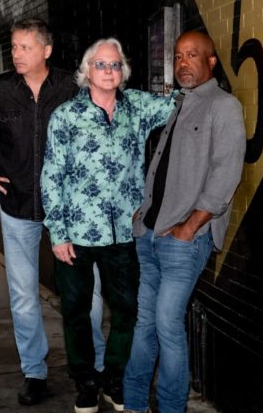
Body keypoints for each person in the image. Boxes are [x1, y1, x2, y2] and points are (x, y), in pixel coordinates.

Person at [0, 18, 105, 406]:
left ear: (46, 50)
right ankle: (34, 373)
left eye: (25, 47)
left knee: (87, 293)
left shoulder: (73, 87)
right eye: (14, 47)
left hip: (69, 211)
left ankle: (93, 369)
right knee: (23, 296)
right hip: (17, 207)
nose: (16, 54)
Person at [41, 37, 175, 413]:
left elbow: (178, 105)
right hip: (77, 233)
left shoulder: (137, 107)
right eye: (100, 64)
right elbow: (51, 176)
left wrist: (201, 83)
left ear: (123, 71)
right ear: (87, 71)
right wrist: (58, 233)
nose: (108, 71)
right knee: (76, 310)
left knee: (127, 308)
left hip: (125, 233)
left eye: (115, 65)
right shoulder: (66, 116)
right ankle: (85, 381)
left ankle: (115, 377)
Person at [123, 31, 246, 413]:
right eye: (178, 56)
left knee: (166, 324)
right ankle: (134, 403)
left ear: (211, 62)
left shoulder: (223, 106)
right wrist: (143, 212)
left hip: (182, 241)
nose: (182, 63)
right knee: (145, 323)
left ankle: (172, 408)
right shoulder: (179, 104)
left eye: (192, 55)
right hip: (150, 233)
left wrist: (191, 227)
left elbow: (226, 174)